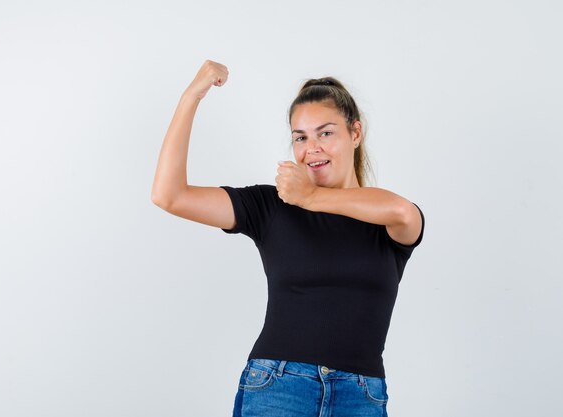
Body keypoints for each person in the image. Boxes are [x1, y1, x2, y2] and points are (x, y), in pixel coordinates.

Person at [152, 59, 425, 417]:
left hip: (361, 396)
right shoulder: (271, 207)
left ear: (355, 133)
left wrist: (310, 197)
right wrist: (192, 97)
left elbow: (406, 214)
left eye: (325, 133)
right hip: (279, 387)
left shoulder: (385, 219)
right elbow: (169, 195)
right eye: (300, 137)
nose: (311, 148)